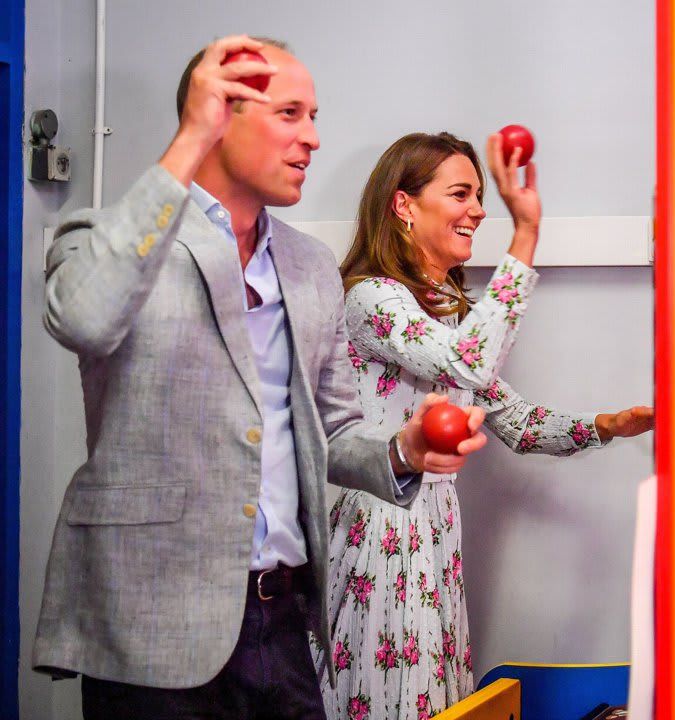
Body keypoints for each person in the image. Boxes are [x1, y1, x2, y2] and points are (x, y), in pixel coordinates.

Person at [32, 36, 487, 719]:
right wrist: (189, 142)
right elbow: (85, 320)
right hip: (150, 628)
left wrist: (405, 450)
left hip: (283, 623)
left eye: (314, 116)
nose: (313, 138)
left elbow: (334, 431)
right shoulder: (104, 238)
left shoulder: (308, 267)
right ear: (220, 116)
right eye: (290, 114)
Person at [317, 131, 653, 719]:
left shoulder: (445, 318)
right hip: (381, 528)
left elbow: (518, 423)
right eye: (461, 194)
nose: (478, 210)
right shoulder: (371, 299)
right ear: (404, 205)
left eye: (480, 195)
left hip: (434, 533)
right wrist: (525, 236)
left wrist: (610, 425)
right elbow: (468, 362)